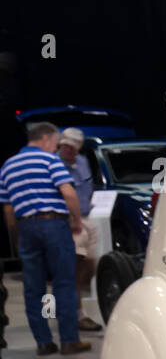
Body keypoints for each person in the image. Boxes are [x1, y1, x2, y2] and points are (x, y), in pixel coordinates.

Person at [0, 121, 90, 355]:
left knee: (35, 287)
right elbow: (68, 193)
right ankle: (69, 340)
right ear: (47, 139)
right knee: (63, 282)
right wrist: (76, 221)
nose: (56, 147)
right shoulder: (50, 160)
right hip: (54, 224)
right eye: (55, 142)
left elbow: (8, 210)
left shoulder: (8, 165)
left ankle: (44, 341)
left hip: (25, 227)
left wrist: (17, 235)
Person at [57, 127, 101, 331]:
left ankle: (71, 302)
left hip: (87, 218)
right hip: (70, 221)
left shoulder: (83, 162)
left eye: (72, 147)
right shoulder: (55, 164)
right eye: (65, 146)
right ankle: (77, 314)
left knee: (92, 263)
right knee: (75, 266)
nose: (68, 150)